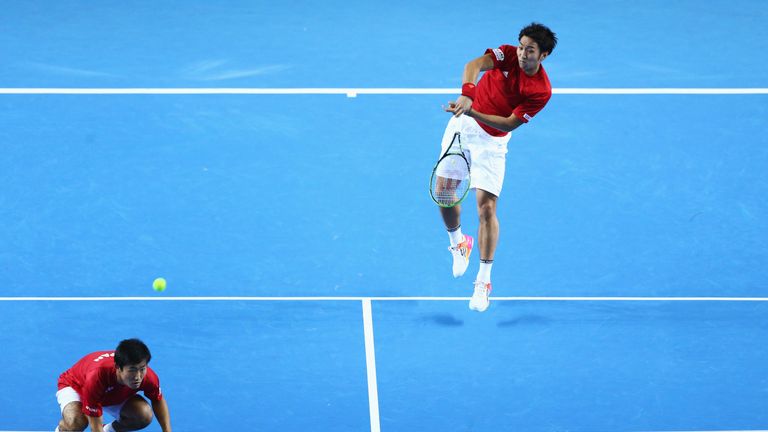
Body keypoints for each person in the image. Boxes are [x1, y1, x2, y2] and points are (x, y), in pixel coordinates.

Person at [440, 22, 557, 312]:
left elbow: (508, 124)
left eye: (529, 50)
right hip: (462, 126)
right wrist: (468, 93)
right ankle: (458, 242)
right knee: (444, 195)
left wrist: (475, 110)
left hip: (493, 141)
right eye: (521, 47)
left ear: (542, 56)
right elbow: (475, 64)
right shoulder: (505, 55)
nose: (521, 54)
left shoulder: (541, 91)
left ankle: (483, 281)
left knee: (487, 208)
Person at [55, 338, 172, 432]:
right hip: (77, 387)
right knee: (76, 422)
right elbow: (95, 425)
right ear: (118, 368)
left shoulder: (148, 377)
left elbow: (157, 399)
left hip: (111, 393)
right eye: (132, 370)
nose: (138, 376)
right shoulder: (97, 376)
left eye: (142, 369)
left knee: (143, 415)